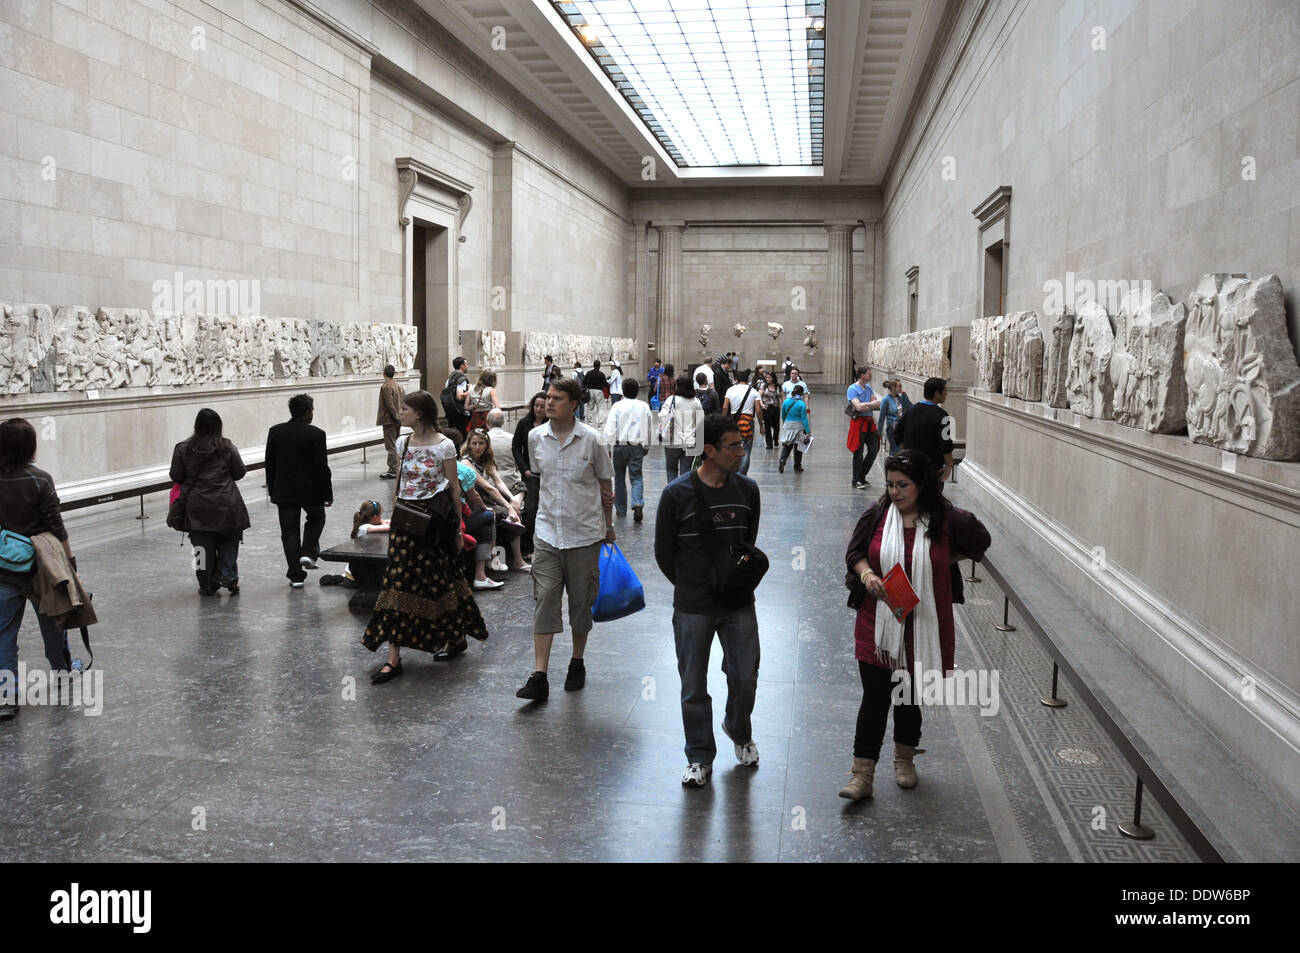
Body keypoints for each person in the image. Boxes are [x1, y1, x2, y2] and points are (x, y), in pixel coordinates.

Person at [840, 450, 991, 799]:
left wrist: (944, 559)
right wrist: (867, 575)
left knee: (908, 696)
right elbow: (854, 553)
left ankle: (904, 759)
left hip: (923, 623)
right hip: (877, 622)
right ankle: (862, 775)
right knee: (875, 698)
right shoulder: (878, 515)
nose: (895, 492)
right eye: (890, 484)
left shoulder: (946, 520)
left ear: (922, 484)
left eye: (903, 485)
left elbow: (980, 540)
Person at [654, 414, 763, 787]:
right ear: (710, 450)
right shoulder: (676, 495)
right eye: (734, 445)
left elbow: (747, 546)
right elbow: (663, 553)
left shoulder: (748, 491)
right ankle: (699, 755)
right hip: (693, 606)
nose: (741, 451)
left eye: (741, 444)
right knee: (693, 684)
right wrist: (691, 585)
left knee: (745, 675)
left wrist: (730, 583)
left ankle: (737, 725)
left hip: (738, 602)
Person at [362, 391, 488, 680]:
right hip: (406, 520)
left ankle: (456, 637)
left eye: (405, 408)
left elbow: (454, 490)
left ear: (419, 413)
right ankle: (394, 657)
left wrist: (457, 529)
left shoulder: (444, 446)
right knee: (396, 583)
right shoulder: (403, 441)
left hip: (433, 522)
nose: (401, 412)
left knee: (440, 580)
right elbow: (400, 481)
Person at [517, 377, 615, 701]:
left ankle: (577, 661)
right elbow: (539, 477)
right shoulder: (535, 438)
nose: (549, 402)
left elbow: (605, 487)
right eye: (547, 396)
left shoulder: (593, 441)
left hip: (584, 534)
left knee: (580, 602)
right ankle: (540, 675)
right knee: (544, 599)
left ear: (574, 403)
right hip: (546, 533)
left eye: (557, 398)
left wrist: (608, 526)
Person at [0, 418, 74, 721]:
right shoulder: (40, 479)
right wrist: (70, 565)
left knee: (4, 635)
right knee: (53, 621)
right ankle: (62, 669)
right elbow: (56, 527)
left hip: (3, 569)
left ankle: (6, 699)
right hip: (40, 568)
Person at [169, 409, 250, 595]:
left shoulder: (183, 448)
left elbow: (176, 476)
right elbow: (239, 473)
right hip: (226, 502)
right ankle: (229, 577)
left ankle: (206, 583)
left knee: (201, 549)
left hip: (197, 506)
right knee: (228, 542)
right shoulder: (227, 446)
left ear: (196, 426)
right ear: (218, 426)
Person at [266, 394, 334, 588]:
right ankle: (308, 552)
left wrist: (272, 490)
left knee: (289, 532)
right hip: (310, 490)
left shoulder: (275, 431)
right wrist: (327, 494)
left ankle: (295, 575)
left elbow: (269, 464)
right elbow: (321, 468)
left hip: (284, 490)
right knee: (317, 517)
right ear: (306, 413)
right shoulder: (316, 434)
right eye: (311, 410)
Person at [461, 428, 529, 573]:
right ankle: (502, 558)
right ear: (469, 445)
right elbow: (487, 487)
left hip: (484, 497)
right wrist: (508, 506)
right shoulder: (466, 462)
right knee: (508, 513)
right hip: (473, 500)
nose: (477, 447)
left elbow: (497, 482)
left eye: (481, 443)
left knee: (514, 508)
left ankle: (517, 560)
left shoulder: (486, 459)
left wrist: (512, 500)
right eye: (474, 443)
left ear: (487, 445)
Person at [602, 377, 654, 523]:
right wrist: (647, 445)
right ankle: (637, 503)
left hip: (620, 445)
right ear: (637, 390)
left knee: (619, 477)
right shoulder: (644, 406)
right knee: (636, 476)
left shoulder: (617, 406)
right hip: (636, 446)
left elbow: (610, 428)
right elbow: (648, 427)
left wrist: (608, 446)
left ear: (623, 391)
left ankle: (621, 509)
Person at [894, 377, 955, 483]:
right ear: (937, 393)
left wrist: (907, 453)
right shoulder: (942, 415)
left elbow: (897, 433)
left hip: (911, 466)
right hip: (932, 468)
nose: (947, 394)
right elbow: (946, 444)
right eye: (945, 391)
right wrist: (949, 466)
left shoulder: (911, 410)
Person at [513, 392, 548, 559]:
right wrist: (523, 468)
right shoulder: (524, 423)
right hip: (530, 473)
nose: (539, 409)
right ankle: (527, 546)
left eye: (542, 406)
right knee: (530, 510)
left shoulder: (551, 424)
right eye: (536, 406)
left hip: (548, 473)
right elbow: (516, 447)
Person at [659, 375, 702, 480]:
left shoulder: (671, 400)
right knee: (686, 471)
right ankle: (684, 494)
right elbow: (701, 424)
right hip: (690, 441)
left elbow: (662, 416)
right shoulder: (696, 402)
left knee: (671, 469)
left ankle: (673, 493)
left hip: (672, 440)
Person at [847, 367, 882, 489]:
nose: (870, 375)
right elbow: (858, 408)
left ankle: (861, 475)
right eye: (869, 374)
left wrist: (865, 405)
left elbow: (876, 405)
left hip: (869, 422)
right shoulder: (852, 389)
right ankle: (856, 480)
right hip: (858, 423)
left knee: (874, 449)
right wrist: (869, 405)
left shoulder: (869, 388)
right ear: (862, 375)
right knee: (858, 452)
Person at [721, 368, 759, 475]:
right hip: (748, 421)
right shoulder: (753, 391)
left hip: (734, 421)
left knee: (732, 446)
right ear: (748, 379)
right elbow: (759, 410)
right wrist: (761, 425)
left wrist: (723, 421)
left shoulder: (730, 390)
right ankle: (741, 474)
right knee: (746, 449)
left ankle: (733, 469)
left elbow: (724, 407)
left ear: (736, 379)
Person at [486, 409, 524, 512]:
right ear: (503, 422)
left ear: (487, 422)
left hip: (490, 485)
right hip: (512, 483)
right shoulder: (512, 439)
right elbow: (518, 465)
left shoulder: (483, 440)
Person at [376, 364, 404, 479]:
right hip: (397, 419)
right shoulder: (398, 385)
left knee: (391, 445)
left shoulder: (387, 386)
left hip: (389, 420)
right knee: (396, 444)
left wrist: (396, 417)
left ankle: (393, 469)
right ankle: (397, 467)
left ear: (384, 373)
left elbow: (389, 404)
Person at [778, 383, 811, 474]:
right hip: (798, 426)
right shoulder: (801, 404)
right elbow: (804, 418)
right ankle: (797, 465)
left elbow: (783, 414)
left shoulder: (786, 401)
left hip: (788, 424)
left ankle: (782, 460)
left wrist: (785, 422)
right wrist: (808, 431)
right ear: (801, 394)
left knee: (787, 445)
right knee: (798, 447)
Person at [440, 356, 472, 443]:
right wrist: (471, 391)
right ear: (462, 366)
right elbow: (460, 396)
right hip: (461, 413)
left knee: (453, 437)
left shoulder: (449, 379)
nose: (468, 366)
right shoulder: (461, 379)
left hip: (451, 412)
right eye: (466, 364)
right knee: (463, 437)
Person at [879, 379, 913, 455]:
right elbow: (881, 418)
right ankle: (893, 464)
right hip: (892, 429)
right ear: (893, 387)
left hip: (902, 428)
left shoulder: (902, 398)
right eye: (899, 386)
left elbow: (911, 407)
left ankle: (894, 464)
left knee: (901, 450)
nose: (901, 388)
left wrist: (905, 396)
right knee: (896, 449)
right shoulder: (886, 400)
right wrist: (879, 433)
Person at [758, 370, 782, 449]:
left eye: (769, 377)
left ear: (773, 378)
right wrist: (762, 405)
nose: (767, 379)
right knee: (767, 426)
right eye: (767, 377)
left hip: (776, 408)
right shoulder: (763, 386)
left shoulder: (778, 386)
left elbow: (781, 397)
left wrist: (783, 406)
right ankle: (769, 443)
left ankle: (775, 439)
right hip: (766, 408)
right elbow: (759, 396)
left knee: (776, 426)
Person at [584, 359, 609, 430]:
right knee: (600, 408)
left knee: (589, 408)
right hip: (599, 392)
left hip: (590, 391)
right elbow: (605, 384)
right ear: (599, 366)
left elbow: (584, 382)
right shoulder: (601, 374)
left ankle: (589, 424)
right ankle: (600, 425)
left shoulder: (589, 373)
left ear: (593, 365)